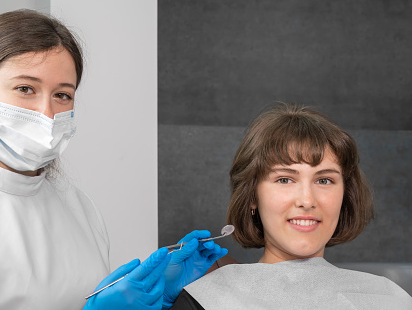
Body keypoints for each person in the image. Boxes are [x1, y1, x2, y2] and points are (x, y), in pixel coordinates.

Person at [0, 9, 227, 310]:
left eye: (62, 95)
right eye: (25, 89)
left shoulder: (78, 207)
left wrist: (158, 292)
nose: (46, 113)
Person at [171, 103, 412, 309]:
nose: (307, 200)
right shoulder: (205, 301)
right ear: (253, 195)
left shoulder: (389, 299)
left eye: (324, 180)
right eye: (285, 179)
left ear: (345, 195)